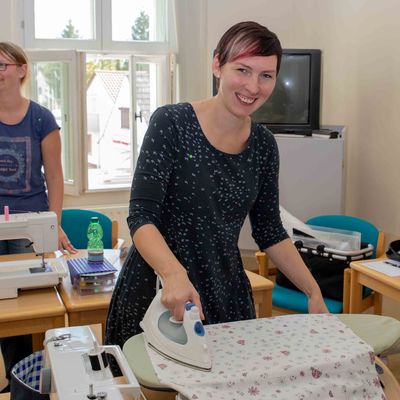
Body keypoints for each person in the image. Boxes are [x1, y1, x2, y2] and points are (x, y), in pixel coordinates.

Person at [106, 21, 328, 350]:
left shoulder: (264, 146)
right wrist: (174, 273)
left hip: (224, 292)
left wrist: (313, 291)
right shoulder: (171, 124)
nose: (253, 87)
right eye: (242, 70)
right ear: (217, 65)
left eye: (266, 75)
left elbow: (269, 231)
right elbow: (141, 217)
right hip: (157, 288)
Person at [0, 41, 77, 391]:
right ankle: (16, 378)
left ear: (21, 69)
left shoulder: (41, 118)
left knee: (35, 309)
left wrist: (54, 221)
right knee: (5, 311)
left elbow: (55, 177)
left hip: (31, 228)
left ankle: (31, 378)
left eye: (2, 65)